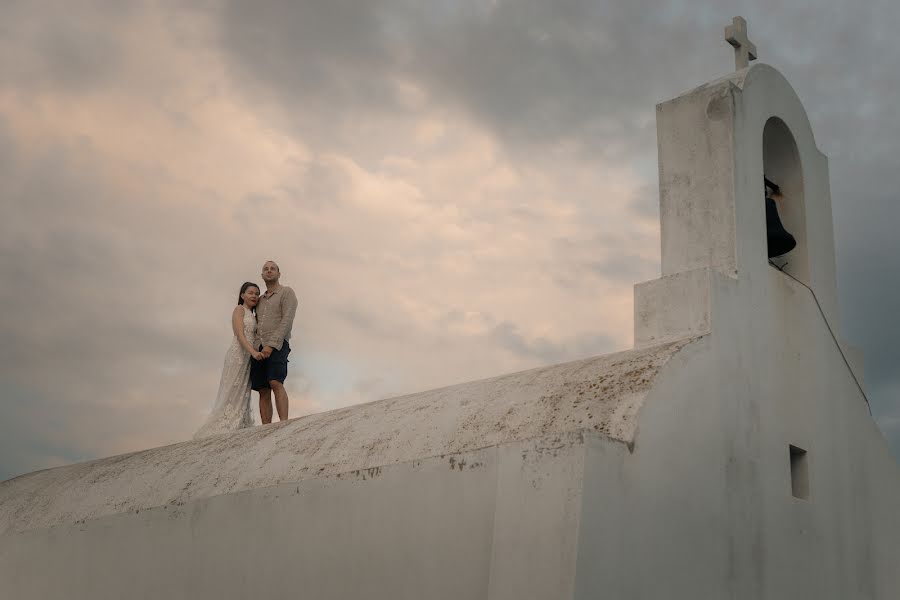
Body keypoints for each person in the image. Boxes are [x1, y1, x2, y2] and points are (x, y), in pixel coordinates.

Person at [194, 282, 263, 439]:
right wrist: (253, 352)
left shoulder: (254, 315)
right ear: (242, 295)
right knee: (232, 389)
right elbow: (239, 334)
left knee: (243, 390)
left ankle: (240, 422)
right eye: (251, 292)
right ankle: (225, 423)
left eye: (257, 293)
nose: (254, 296)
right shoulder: (239, 310)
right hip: (238, 355)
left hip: (248, 359)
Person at [251, 260, 298, 424]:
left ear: (279, 274)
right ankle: (266, 428)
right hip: (258, 347)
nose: (269, 271)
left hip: (278, 344)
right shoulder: (259, 300)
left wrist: (271, 346)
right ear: (262, 275)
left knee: (275, 381)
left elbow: (287, 320)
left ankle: (283, 422)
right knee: (263, 388)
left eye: (273, 269)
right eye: (266, 269)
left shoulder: (286, 293)